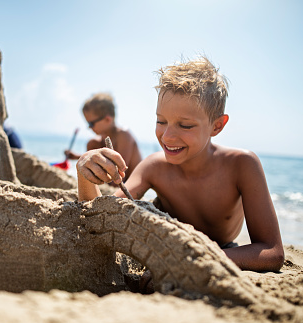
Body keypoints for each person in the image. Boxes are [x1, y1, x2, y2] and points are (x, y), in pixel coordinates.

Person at [76, 56, 285, 283]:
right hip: (167, 245)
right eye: (161, 121)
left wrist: (191, 259)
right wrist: (85, 174)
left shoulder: (242, 165)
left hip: (223, 250)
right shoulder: (154, 167)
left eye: (185, 125)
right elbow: (100, 214)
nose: (167, 137)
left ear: (217, 125)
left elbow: (272, 251)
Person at [65, 92, 142, 181]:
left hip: (129, 182)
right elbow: (102, 160)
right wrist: (78, 157)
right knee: (92, 144)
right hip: (111, 182)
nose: (89, 127)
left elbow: (121, 169)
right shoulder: (98, 141)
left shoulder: (123, 135)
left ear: (107, 119)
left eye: (91, 123)